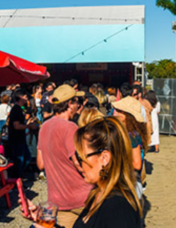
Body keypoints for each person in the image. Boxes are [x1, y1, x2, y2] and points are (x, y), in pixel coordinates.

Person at [48, 117, 142, 228]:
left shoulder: (118, 207)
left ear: (104, 158)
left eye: (81, 157)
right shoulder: (98, 192)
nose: (79, 163)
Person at [36, 84, 93, 228]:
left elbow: (40, 164)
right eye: (76, 102)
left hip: (58, 200)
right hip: (81, 198)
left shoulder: (44, 127)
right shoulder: (70, 128)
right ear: (69, 104)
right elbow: (79, 164)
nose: (79, 106)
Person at [7, 89, 38, 177]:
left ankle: (17, 177)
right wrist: (29, 126)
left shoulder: (19, 109)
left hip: (20, 138)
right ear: (20, 97)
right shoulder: (16, 109)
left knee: (27, 157)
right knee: (20, 161)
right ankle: (16, 179)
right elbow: (16, 126)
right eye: (25, 97)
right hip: (16, 139)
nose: (26, 98)